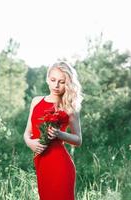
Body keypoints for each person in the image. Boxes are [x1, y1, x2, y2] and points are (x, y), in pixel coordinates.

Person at [23, 61, 83, 200]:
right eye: (53, 80)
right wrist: (29, 142)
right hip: (41, 164)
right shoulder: (36, 101)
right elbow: (27, 132)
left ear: (67, 83)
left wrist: (59, 134)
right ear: (47, 79)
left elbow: (78, 140)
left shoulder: (69, 106)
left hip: (60, 166)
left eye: (61, 82)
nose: (56, 85)